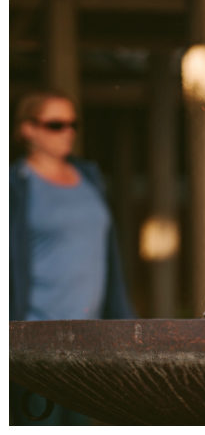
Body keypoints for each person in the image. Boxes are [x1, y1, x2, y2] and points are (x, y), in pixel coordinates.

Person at [9, 89, 135, 425]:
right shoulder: (14, 186)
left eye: (72, 124)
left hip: (92, 347)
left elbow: (108, 263)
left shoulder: (90, 179)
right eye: (55, 124)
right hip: (34, 346)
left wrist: (123, 329)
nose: (67, 132)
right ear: (27, 129)